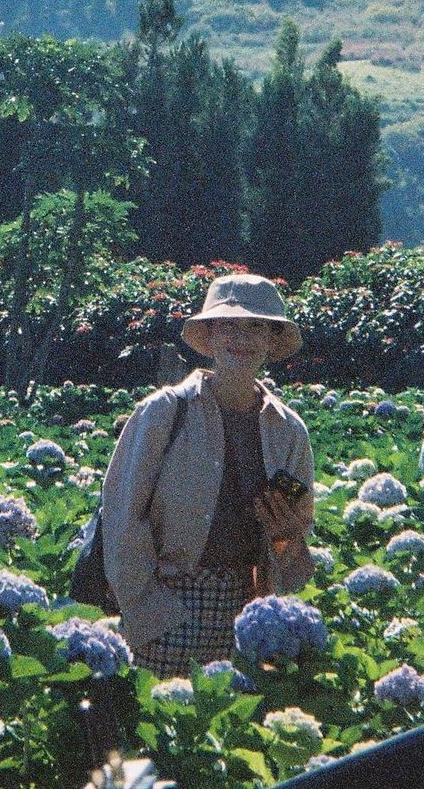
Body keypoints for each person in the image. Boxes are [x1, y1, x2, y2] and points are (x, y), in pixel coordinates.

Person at [101, 273, 314, 677]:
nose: (242, 338)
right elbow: (122, 516)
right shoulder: (164, 412)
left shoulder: (289, 431)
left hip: (246, 614)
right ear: (210, 336)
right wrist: (148, 611)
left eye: (256, 327)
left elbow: (297, 535)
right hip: (165, 607)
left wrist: (286, 536)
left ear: (270, 342)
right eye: (229, 325)